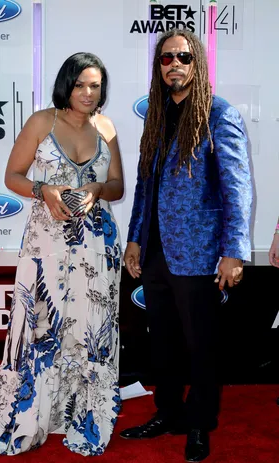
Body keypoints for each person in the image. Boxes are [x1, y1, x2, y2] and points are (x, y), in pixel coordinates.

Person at [0, 52, 123, 457]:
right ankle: (29, 418)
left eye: (95, 85)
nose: (88, 93)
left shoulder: (107, 126)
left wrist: (96, 190)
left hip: (97, 245)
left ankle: (84, 416)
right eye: (80, 84)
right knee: (41, 327)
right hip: (46, 243)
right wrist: (44, 190)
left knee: (91, 328)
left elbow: (117, 187)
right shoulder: (43, 121)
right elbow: (12, 175)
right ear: (66, 84)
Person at [120, 29, 252, 462]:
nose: (174, 64)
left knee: (200, 345)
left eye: (182, 57)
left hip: (198, 253)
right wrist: (136, 238)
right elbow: (145, 187)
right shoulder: (156, 118)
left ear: (197, 63)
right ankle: (169, 414)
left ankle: (199, 424)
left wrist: (234, 249)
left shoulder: (219, 115)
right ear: (158, 68)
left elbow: (237, 187)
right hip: (156, 253)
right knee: (164, 344)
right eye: (165, 59)